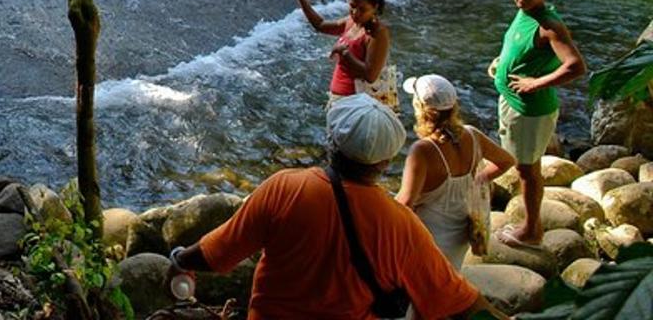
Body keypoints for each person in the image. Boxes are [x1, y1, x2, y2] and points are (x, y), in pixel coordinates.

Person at [166, 94, 511, 320]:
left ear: (331, 140)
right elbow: (461, 301)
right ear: (387, 160)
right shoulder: (401, 225)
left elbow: (217, 252)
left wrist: (180, 260)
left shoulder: (285, 187)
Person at [490, 0, 586, 248]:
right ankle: (530, 225)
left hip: (529, 110)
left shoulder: (549, 25)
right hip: (513, 103)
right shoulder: (526, 13)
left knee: (528, 171)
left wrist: (536, 83)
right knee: (523, 166)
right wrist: (501, 63)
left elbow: (576, 66)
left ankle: (532, 230)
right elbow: (518, 47)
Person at [396, 74, 516, 269]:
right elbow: (507, 161)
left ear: (420, 106)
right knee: (448, 282)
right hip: (461, 233)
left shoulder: (423, 150)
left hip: (429, 238)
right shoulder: (472, 134)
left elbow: (405, 203)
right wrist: (476, 180)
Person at [284, 0, 396, 109]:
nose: (355, 13)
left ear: (375, 8)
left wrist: (345, 53)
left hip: (358, 104)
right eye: (352, 6)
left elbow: (370, 75)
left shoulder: (377, 33)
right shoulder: (351, 22)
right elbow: (320, 25)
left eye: (362, 9)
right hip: (339, 98)